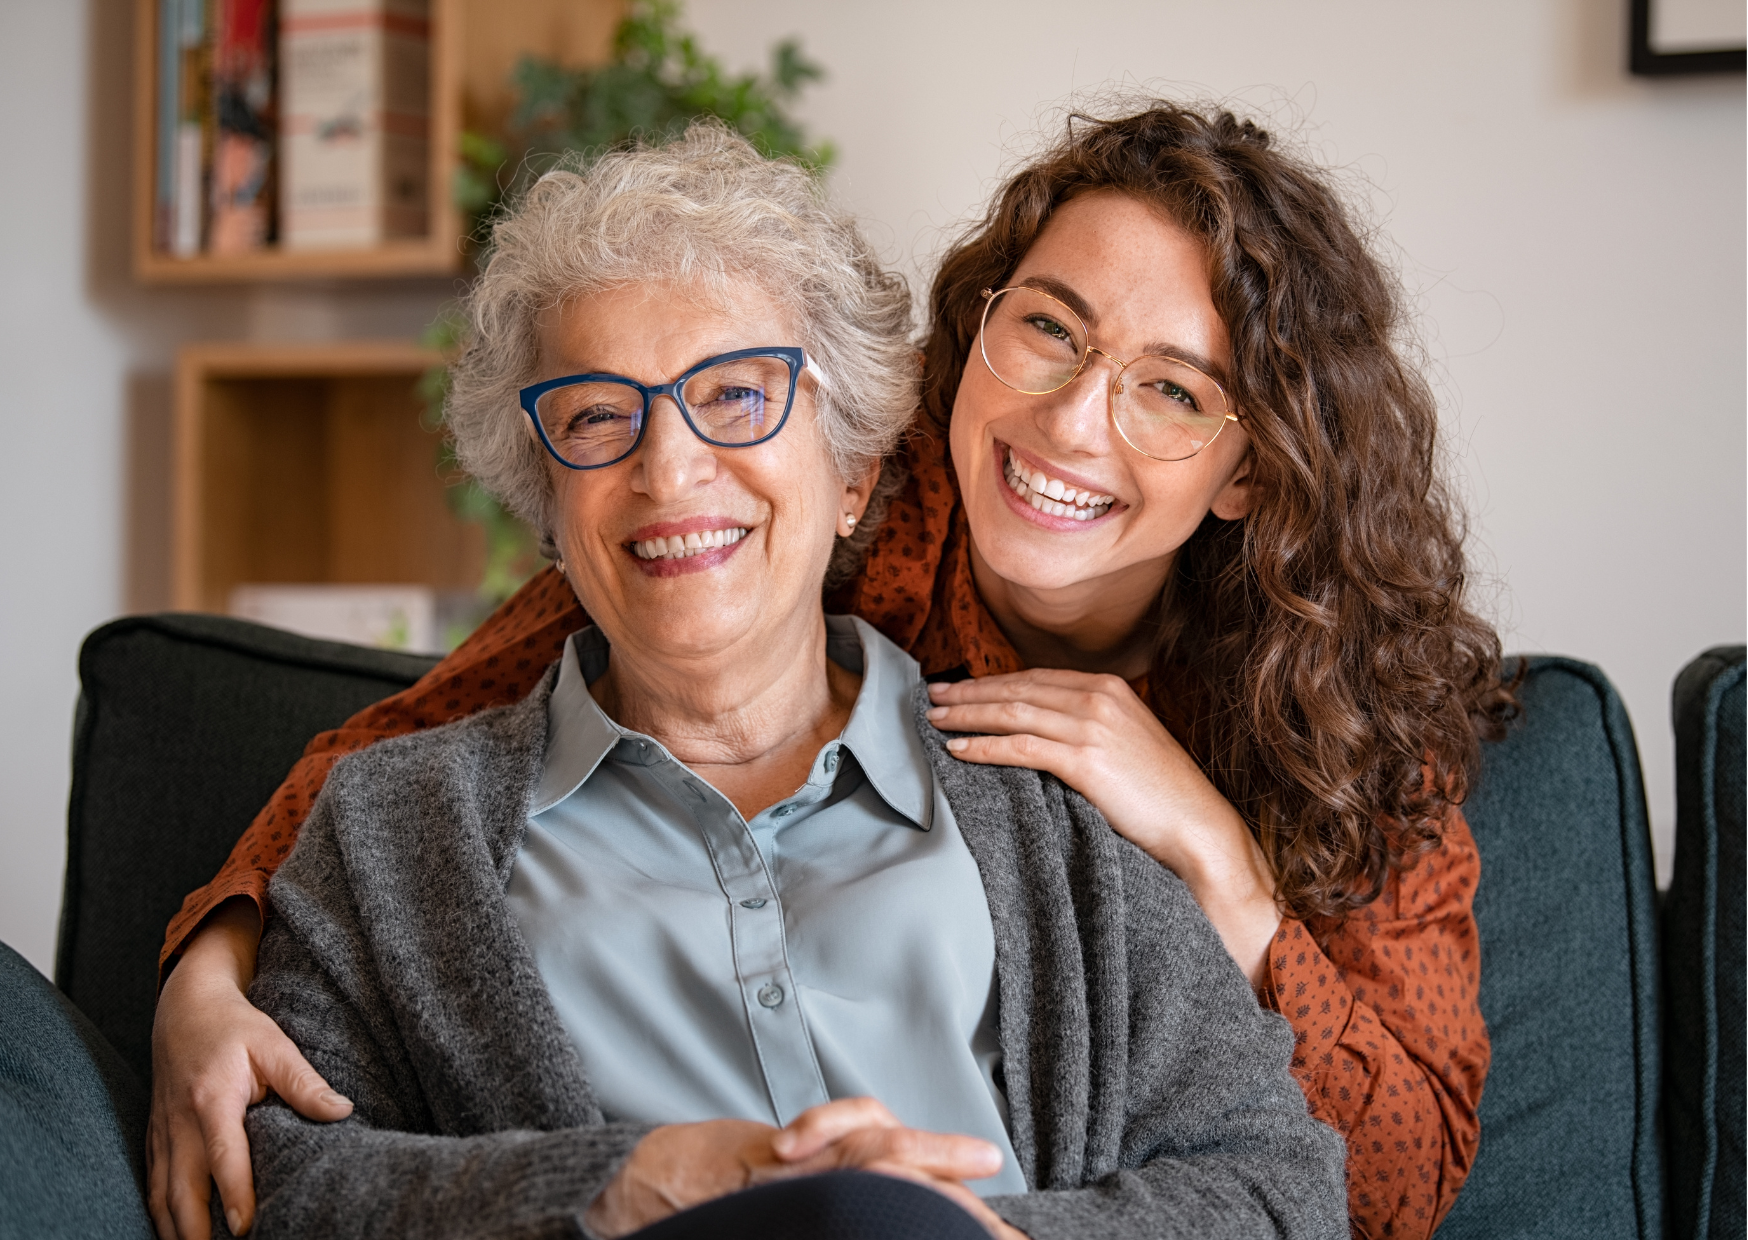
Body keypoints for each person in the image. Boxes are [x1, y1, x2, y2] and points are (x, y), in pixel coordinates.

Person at [150, 103, 1513, 1240]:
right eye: (1049, 328)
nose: (1070, 421)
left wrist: (1218, 864)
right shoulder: (436, 800)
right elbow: (395, 762)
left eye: (1172, 388)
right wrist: (208, 965)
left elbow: (1330, 1187)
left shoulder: (1192, 790)